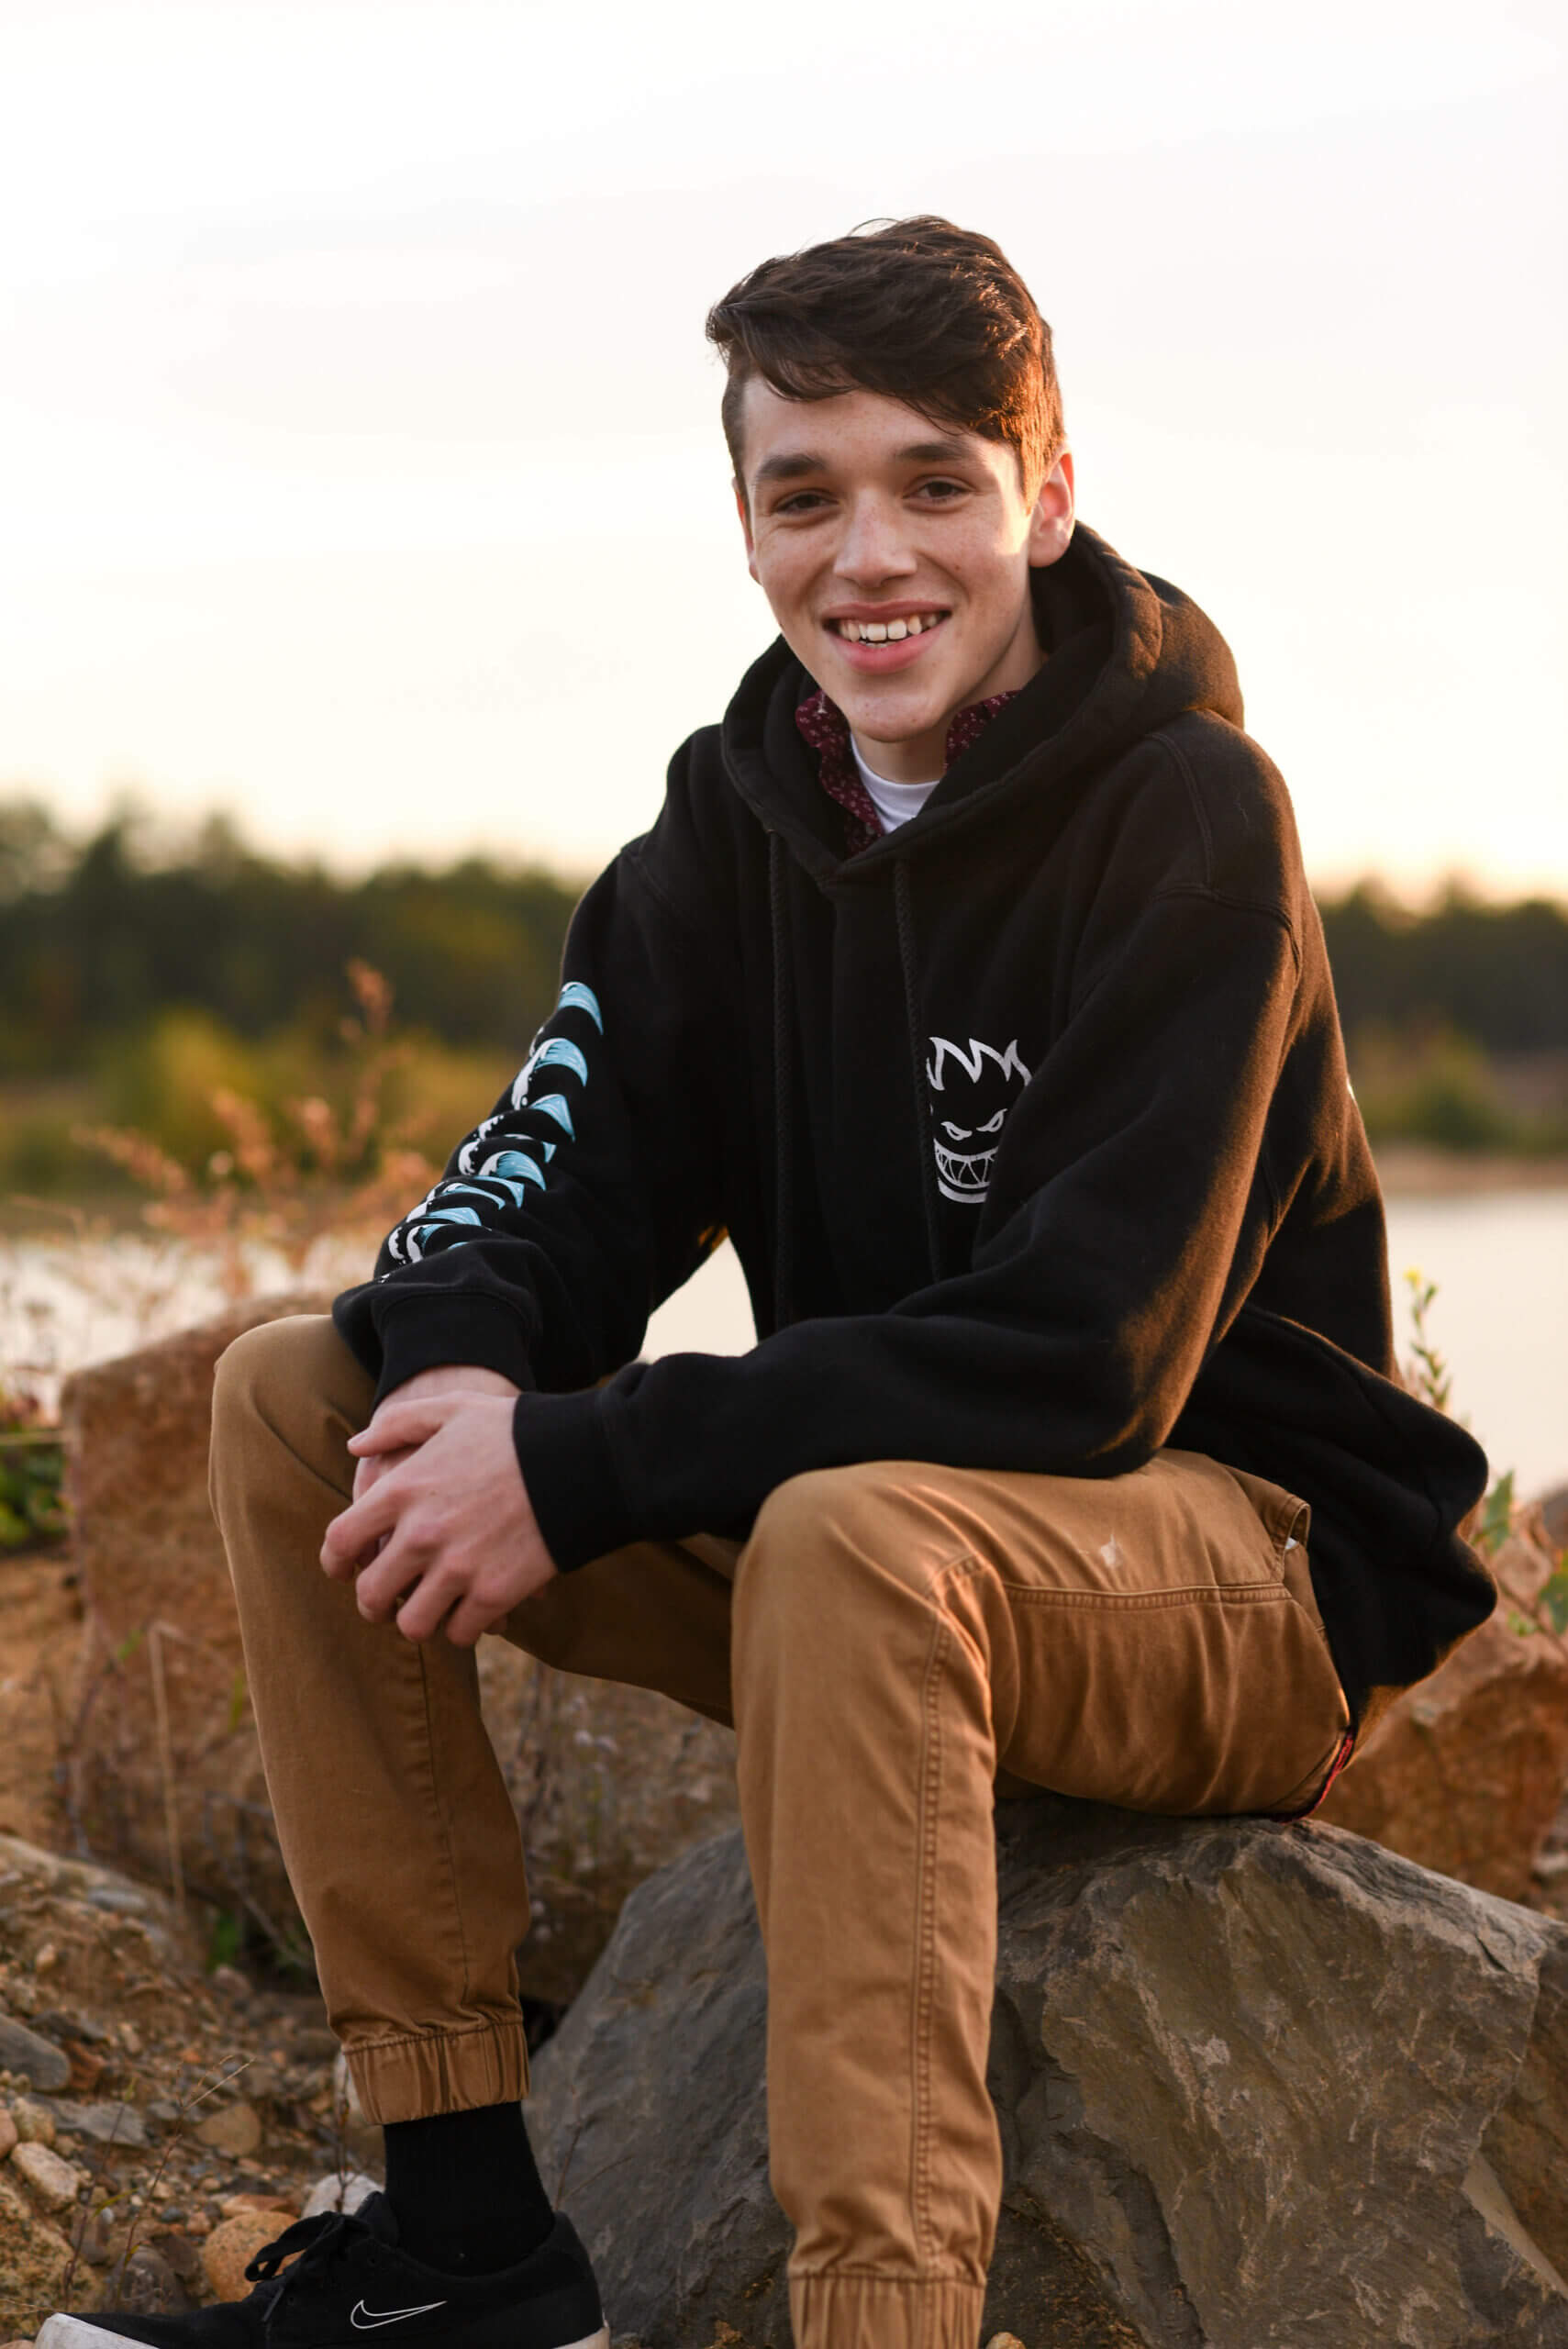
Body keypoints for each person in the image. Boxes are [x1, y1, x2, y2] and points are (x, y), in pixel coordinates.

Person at [40, 217, 1494, 2349]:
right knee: (292, 1390)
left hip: (1236, 1574)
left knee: (849, 1528)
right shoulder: (727, 837)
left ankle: (881, 2316)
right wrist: (464, 1374)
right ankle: (460, 2247)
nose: (870, 553)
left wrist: (591, 1453)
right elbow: (535, 1182)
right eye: (803, 493)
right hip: (900, 1557)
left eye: (934, 482)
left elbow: (1087, 1356)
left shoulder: (1192, 812)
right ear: (742, 525)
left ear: (1047, 496)